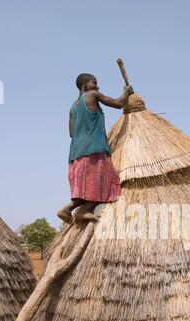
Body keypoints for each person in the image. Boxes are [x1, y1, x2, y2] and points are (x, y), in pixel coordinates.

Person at [57, 73, 133, 223]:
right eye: (94, 83)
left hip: (76, 154)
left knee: (88, 189)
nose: (97, 86)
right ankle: (82, 211)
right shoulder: (92, 94)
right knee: (107, 185)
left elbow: (72, 133)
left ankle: (67, 209)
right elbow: (118, 103)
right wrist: (127, 91)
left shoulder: (72, 107)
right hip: (94, 149)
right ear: (85, 85)